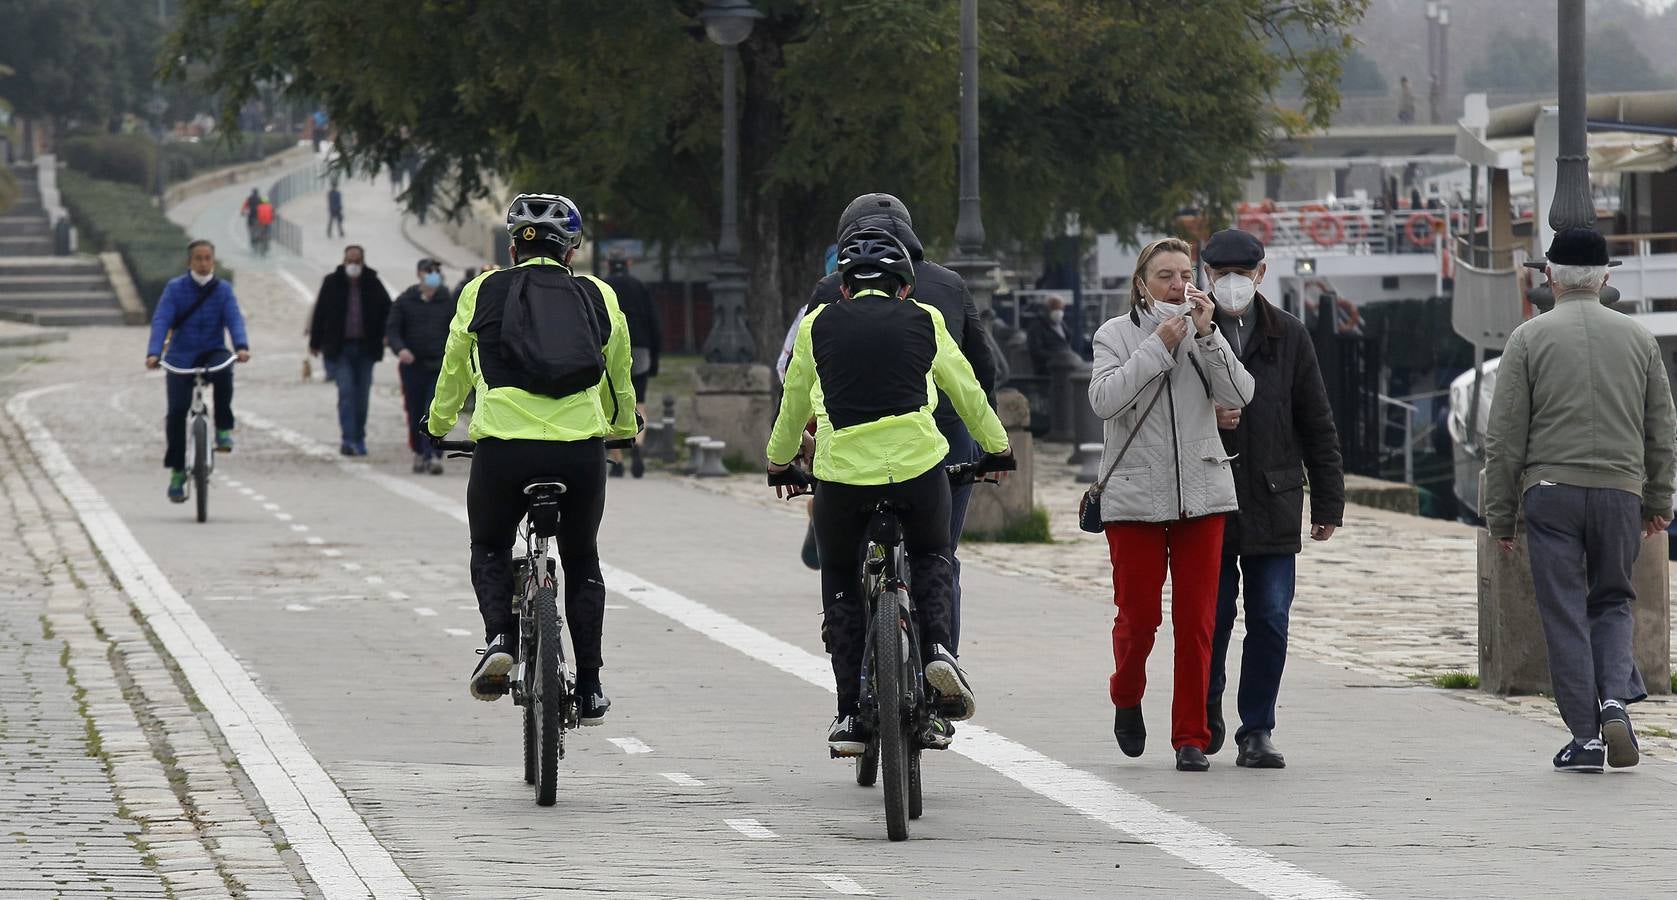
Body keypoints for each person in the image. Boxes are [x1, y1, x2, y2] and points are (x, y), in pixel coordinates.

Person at [767, 227, 1011, 756]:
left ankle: (851, 714)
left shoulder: (816, 324)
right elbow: (966, 389)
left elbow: (793, 401)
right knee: (932, 555)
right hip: (919, 472)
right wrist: (997, 447)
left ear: (845, 288)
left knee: (839, 577)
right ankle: (940, 649)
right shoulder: (927, 319)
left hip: (844, 479)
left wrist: (779, 459)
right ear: (906, 286)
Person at [428, 193, 637, 718]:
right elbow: (618, 374)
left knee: (492, 545)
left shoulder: (481, 291)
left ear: (514, 247)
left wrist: (436, 426)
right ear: (571, 248)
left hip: (504, 448)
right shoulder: (598, 296)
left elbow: (455, 365)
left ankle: (499, 638)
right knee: (582, 557)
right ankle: (588, 685)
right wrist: (622, 428)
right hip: (579, 450)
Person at [1484, 227, 1676, 774]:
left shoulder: (1528, 339)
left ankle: (1586, 738)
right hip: (1620, 491)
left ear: (1550, 277)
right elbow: (1661, 429)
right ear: (1606, 278)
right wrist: (1659, 497)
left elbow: (1504, 437)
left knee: (1564, 610)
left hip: (1551, 494)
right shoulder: (1640, 340)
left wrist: (1500, 514)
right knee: (1613, 600)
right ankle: (1616, 698)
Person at [1088, 237, 1253, 773]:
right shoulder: (1114, 335)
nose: (1179, 285)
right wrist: (1157, 346)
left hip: (1202, 493)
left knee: (1198, 619)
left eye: (1186, 274)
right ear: (1142, 283)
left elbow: (1240, 394)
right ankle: (1125, 691)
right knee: (1138, 620)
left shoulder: (1210, 330)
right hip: (1134, 495)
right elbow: (1105, 400)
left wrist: (1207, 337)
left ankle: (1190, 734)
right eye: (1165, 275)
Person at [805, 193, 997, 654]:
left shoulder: (832, 288)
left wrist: (799, 443)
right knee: (938, 555)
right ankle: (942, 657)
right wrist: (989, 440)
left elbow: (801, 371)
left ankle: (847, 624)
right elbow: (982, 366)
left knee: (847, 553)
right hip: (945, 437)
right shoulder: (951, 286)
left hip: (852, 441)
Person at [1199, 229, 1344, 770]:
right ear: (1206, 275)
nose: (1232, 283)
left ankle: (1256, 728)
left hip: (1274, 496)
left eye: (1244, 272)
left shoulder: (1289, 335)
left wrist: (1329, 502)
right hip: (1207, 498)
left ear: (1261, 274)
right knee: (1209, 617)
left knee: (1270, 617)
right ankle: (1205, 709)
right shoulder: (1190, 332)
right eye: (1221, 273)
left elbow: (1317, 420)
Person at [145, 240, 250, 501]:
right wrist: (154, 352)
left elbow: (234, 318)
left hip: (212, 349)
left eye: (207, 258)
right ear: (189, 262)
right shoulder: (175, 289)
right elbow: (162, 320)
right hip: (181, 355)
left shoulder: (223, 290)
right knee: (176, 413)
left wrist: (241, 346)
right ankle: (178, 471)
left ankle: (223, 429)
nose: (203, 263)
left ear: (213, 261)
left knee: (225, 370)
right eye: (198, 259)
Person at [308, 245, 392, 455]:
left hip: (366, 349)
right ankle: (347, 439)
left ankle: (359, 437)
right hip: (340, 349)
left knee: (362, 397)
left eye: (356, 261)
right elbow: (320, 312)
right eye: (349, 261)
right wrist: (315, 342)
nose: (353, 265)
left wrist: (388, 335)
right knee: (346, 393)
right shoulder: (332, 282)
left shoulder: (373, 283)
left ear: (362, 262)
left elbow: (388, 311)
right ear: (343, 261)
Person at [387, 258, 455, 474]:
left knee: (433, 410)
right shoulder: (405, 301)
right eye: (429, 271)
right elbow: (393, 330)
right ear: (419, 274)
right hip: (413, 367)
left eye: (436, 271)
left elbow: (458, 330)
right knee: (415, 410)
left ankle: (433, 455)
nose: (433, 274)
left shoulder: (448, 301)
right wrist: (401, 349)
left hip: (439, 366)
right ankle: (418, 451)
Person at [603, 253, 661, 478]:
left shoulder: (603, 286)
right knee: (640, 402)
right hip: (641, 348)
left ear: (608, 265)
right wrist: (655, 358)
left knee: (611, 405)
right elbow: (655, 323)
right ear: (629, 264)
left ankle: (617, 461)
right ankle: (637, 446)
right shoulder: (640, 287)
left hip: (612, 350)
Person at [1026, 295, 1085, 374]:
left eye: (1060, 309)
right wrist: (1057, 356)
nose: (1058, 312)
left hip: (1066, 361)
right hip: (1047, 367)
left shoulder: (1061, 324)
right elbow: (1036, 351)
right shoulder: (1036, 327)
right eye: (1055, 308)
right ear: (1047, 309)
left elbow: (1067, 341)